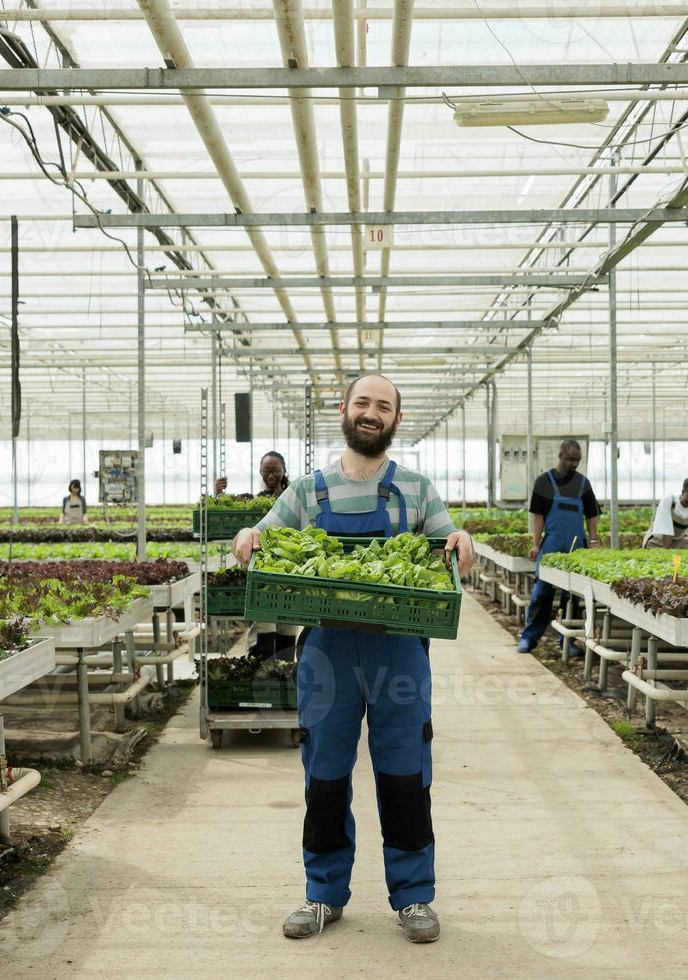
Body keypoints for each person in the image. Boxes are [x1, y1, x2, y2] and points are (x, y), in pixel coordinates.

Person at [232, 374, 474, 945]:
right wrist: (247, 533)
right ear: (344, 411)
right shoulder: (306, 492)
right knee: (325, 773)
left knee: (406, 774)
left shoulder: (416, 489)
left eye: (383, 407)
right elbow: (262, 536)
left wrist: (461, 540)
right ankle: (322, 895)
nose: (372, 413)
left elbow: (448, 541)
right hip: (328, 655)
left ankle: (413, 898)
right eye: (362, 403)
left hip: (400, 655)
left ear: (395, 420)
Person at [516, 439, 602, 654]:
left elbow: (591, 515)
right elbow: (538, 517)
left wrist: (593, 540)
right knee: (542, 592)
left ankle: (567, 640)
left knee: (571, 596)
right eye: (570, 459)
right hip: (552, 544)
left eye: (577, 460)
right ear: (560, 456)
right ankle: (529, 637)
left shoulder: (583, 483)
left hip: (576, 548)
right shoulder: (544, 482)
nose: (574, 464)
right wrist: (536, 545)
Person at [644, 473, 688, 549]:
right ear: (682, 492)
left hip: (677, 541)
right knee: (654, 549)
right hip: (657, 541)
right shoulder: (669, 501)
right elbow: (666, 530)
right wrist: (666, 553)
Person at [214, 450, 291, 498]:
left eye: (275, 471)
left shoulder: (291, 498)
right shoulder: (252, 499)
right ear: (260, 471)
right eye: (266, 471)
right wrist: (219, 492)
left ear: (283, 471)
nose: (271, 476)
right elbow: (231, 502)